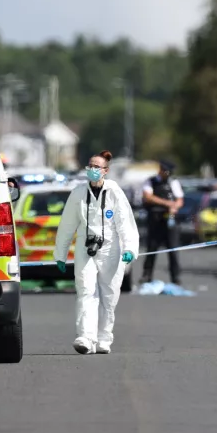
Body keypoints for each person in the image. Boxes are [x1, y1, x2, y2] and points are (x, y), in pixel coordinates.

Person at [53, 150, 139, 355]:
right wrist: (61, 254)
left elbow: (125, 222)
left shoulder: (114, 192)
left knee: (109, 295)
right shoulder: (78, 193)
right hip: (86, 247)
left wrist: (129, 249)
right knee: (86, 291)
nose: (92, 170)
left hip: (111, 248)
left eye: (96, 167)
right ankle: (85, 337)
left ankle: (103, 338)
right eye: (90, 166)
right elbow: (67, 225)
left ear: (106, 171)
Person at [140, 159, 185, 285]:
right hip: (155, 218)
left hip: (170, 219)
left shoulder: (173, 182)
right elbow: (148, 197)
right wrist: (167, 203)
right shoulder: (151, 181)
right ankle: (147, 274)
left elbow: (180, 199)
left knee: (173, 248)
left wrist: (175, 206)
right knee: (152, 247)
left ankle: (175, 276)